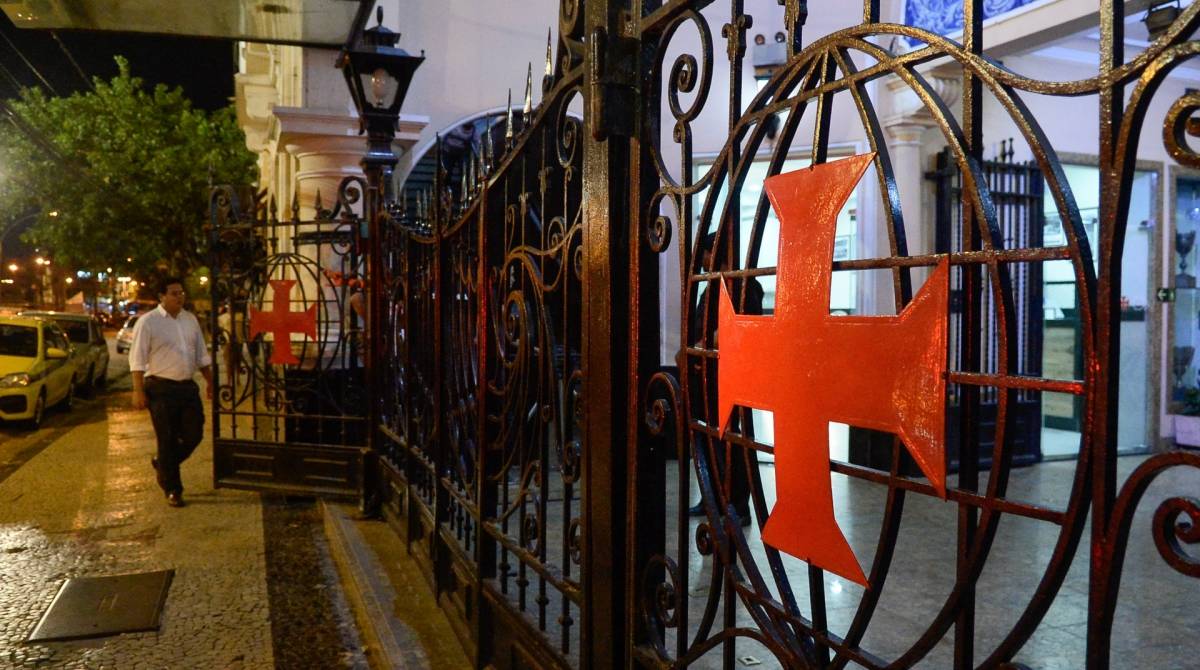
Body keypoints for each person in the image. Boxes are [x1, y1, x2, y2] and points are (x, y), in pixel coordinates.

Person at [687, 232, 763, 527]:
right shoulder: (715, 285)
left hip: (729, 375)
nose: (702, 260)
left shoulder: (744, 285)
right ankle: (712, 498)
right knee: (709, 439)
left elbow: (745, 328)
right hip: (707, 375)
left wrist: (706, 342)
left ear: (714, 253)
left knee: (731, 441)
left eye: (705, 254)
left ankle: (737, 505)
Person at [130, 277, 213, 508]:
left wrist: (210, 381)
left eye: (181, 293)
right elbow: (137, 360)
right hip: (160, 388)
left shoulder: (190, 320)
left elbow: (201, 355)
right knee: (166, 438)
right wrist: (138, 391)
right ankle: (173, 489)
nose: (180, 297)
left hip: (187, 387)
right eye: (174, 293)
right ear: (162, 297)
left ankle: (163, 464)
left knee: (194, 434)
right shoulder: (148, 322)